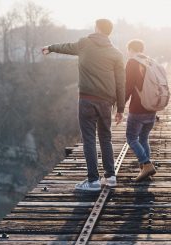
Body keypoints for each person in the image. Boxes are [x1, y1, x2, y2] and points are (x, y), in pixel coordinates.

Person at [42, 19, 125, 191]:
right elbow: (120, 82)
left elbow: (67, 47)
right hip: (106, 101)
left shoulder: (84, 43)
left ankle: (93, 181)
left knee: (89, 139)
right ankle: (110, 177)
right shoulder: (116, 53)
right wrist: (121, 108)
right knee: (106, 138)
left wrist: (50, 47)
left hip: (87, 99)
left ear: (96, 28)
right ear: (109, 32)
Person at [125, 39, 157, 182]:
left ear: (131, 49)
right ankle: (145, 171)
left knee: (131, 138)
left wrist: (120, 106)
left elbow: (128, 87)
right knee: (143, 138)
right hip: (152, 107)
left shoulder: (132, 62)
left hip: (138, 109)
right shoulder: (150, 62)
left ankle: (146, 164)